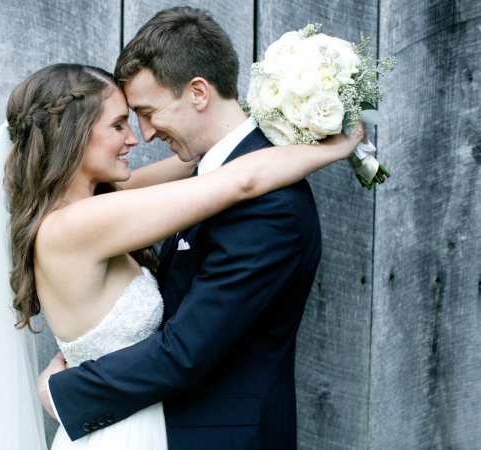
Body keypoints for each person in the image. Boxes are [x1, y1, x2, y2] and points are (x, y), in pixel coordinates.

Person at [37, 7, 366, 450]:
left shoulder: (271, 206)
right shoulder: (207, 179)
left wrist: (65, 392)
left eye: (147, 113)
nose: (145, 135)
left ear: (197, 92)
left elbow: (184, 353)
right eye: (125, 122)